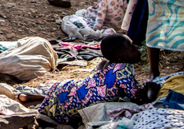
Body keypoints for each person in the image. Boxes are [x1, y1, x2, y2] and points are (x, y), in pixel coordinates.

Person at [30, 34, 158, 123]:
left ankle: (35, 97)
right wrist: (152, 89)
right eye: (132, 48)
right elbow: (139, 99)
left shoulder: (105, 64)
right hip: (72, 108)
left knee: (63, 97)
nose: (137, 48)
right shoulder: (124, 70)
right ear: (121, 59)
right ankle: (35, 98)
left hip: (66, 90)